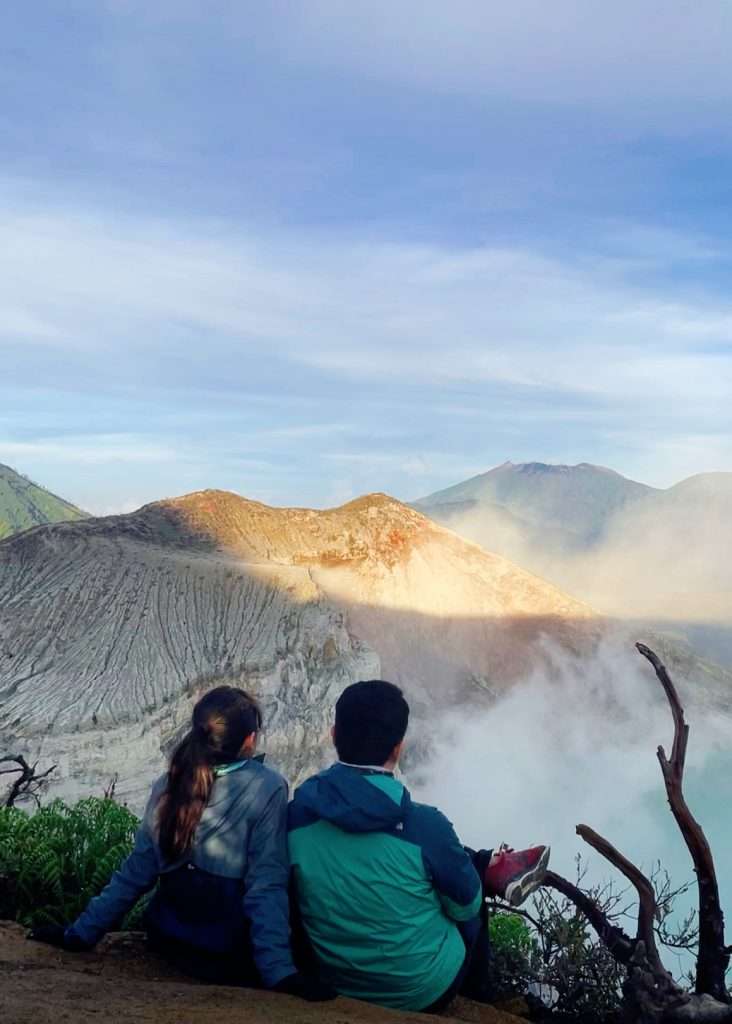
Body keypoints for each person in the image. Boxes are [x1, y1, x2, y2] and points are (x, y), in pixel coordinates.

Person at [30, 686, 334, 1002]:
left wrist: (79, 934)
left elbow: (136, 872)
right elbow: (266, 885)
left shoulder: (169, 783)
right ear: (249, 741)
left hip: (170, 939)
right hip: (225, 953)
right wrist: (279, 973)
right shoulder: (267, 787)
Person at [288, 680, 549, 1012]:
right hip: (421, 990)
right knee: (469, 894)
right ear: (398, 749)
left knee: (431, 855)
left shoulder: (296, 816)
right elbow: (464, 909)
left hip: (334, 979)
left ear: (334, 735)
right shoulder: (427, 825)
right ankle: (480, 995)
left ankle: (487, 864)